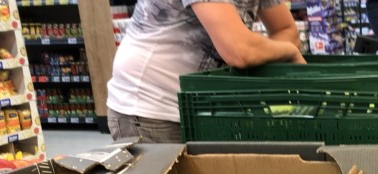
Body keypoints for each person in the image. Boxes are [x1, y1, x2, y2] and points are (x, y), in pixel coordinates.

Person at [107, 0, 305, 143]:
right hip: (153, 107)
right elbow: (239, 50)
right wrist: (286, 51)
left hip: (204, 107)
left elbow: (287, 30)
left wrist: (259, 50)